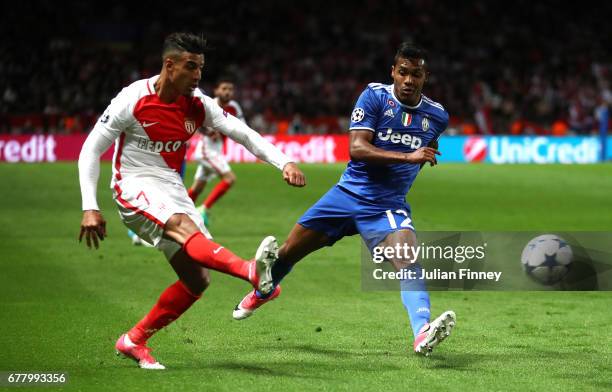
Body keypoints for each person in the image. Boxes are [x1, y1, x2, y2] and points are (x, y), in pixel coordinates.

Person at [77, 32, 306, 370]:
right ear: (169, 65)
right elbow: (91, 150)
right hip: (133, 183)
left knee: (197, 280)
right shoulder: (132, 98)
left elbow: (242, 133)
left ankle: (134, 340)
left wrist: (283, 161)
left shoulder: (197, 103)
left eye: (201, 67)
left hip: (171, 187)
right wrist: (89, 206)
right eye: (191, 66)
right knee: (183, 228)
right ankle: (252, 272)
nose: (198, 75)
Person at [231, 43, 456, 356]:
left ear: (425, 77)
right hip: (346, 196)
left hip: (386, 206)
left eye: (415, 74)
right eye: (402, 72)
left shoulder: (437, 116)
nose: (408, 80)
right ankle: (262, 292)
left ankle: (422, 331)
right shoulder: (374, 97)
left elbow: (426, 148)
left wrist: (413, 163)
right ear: (393, 72)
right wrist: (408, 158)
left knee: (408, 260)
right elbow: (357, 148)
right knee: (288, 253)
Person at [187, 78, 244, 224]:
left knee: (198, 187)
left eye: (230, 89)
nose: (227, 92)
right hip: (207, 151)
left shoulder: (234, 107)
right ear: (217, 91)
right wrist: (209, 132)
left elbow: (242, 126)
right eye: (224, 89)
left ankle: (182, 213)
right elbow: (196, 122)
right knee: (229, 178)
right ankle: (203, 209)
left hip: (216, 151)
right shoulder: (209, 104)